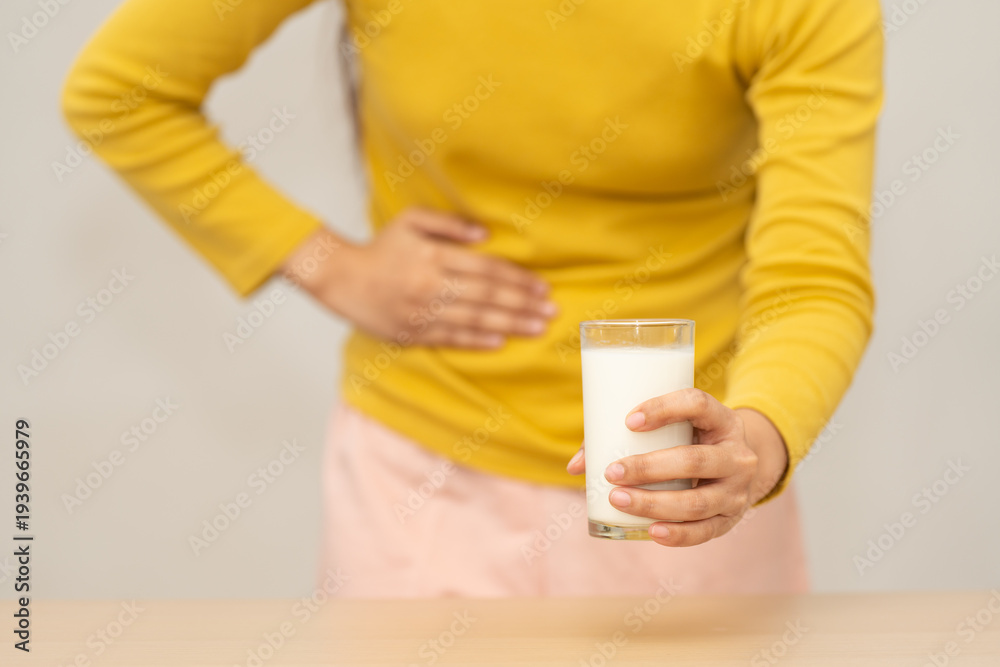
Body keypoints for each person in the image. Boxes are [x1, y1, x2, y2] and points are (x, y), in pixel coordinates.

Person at [62, 0, 883, 597]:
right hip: (418, 485)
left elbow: (812, 280)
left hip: (685, 497)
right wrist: (333, 267)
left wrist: (753, 445)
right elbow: (121, 90)